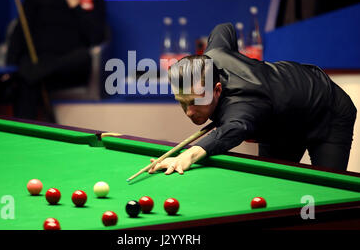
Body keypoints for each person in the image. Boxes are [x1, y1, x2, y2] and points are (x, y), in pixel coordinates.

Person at [149, 23, 357, 174]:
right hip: (279, 123)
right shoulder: (213, 57)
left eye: (196, 102)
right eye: (182, 102)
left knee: (327, 190)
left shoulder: (242, 106)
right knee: (272, 185)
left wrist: (189, 155)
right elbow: (224, 28)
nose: (189, 112)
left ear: (218, 89)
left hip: (326, 111)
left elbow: (236, 128)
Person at [6, 0, 106, 121]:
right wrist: (9, 64)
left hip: (70, 69)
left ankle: (32, 73)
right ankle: (23, 132)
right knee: (27, 79)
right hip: (41, 65)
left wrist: (76, 6)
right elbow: (20, 33)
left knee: (81, 56)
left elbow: (96, 38)